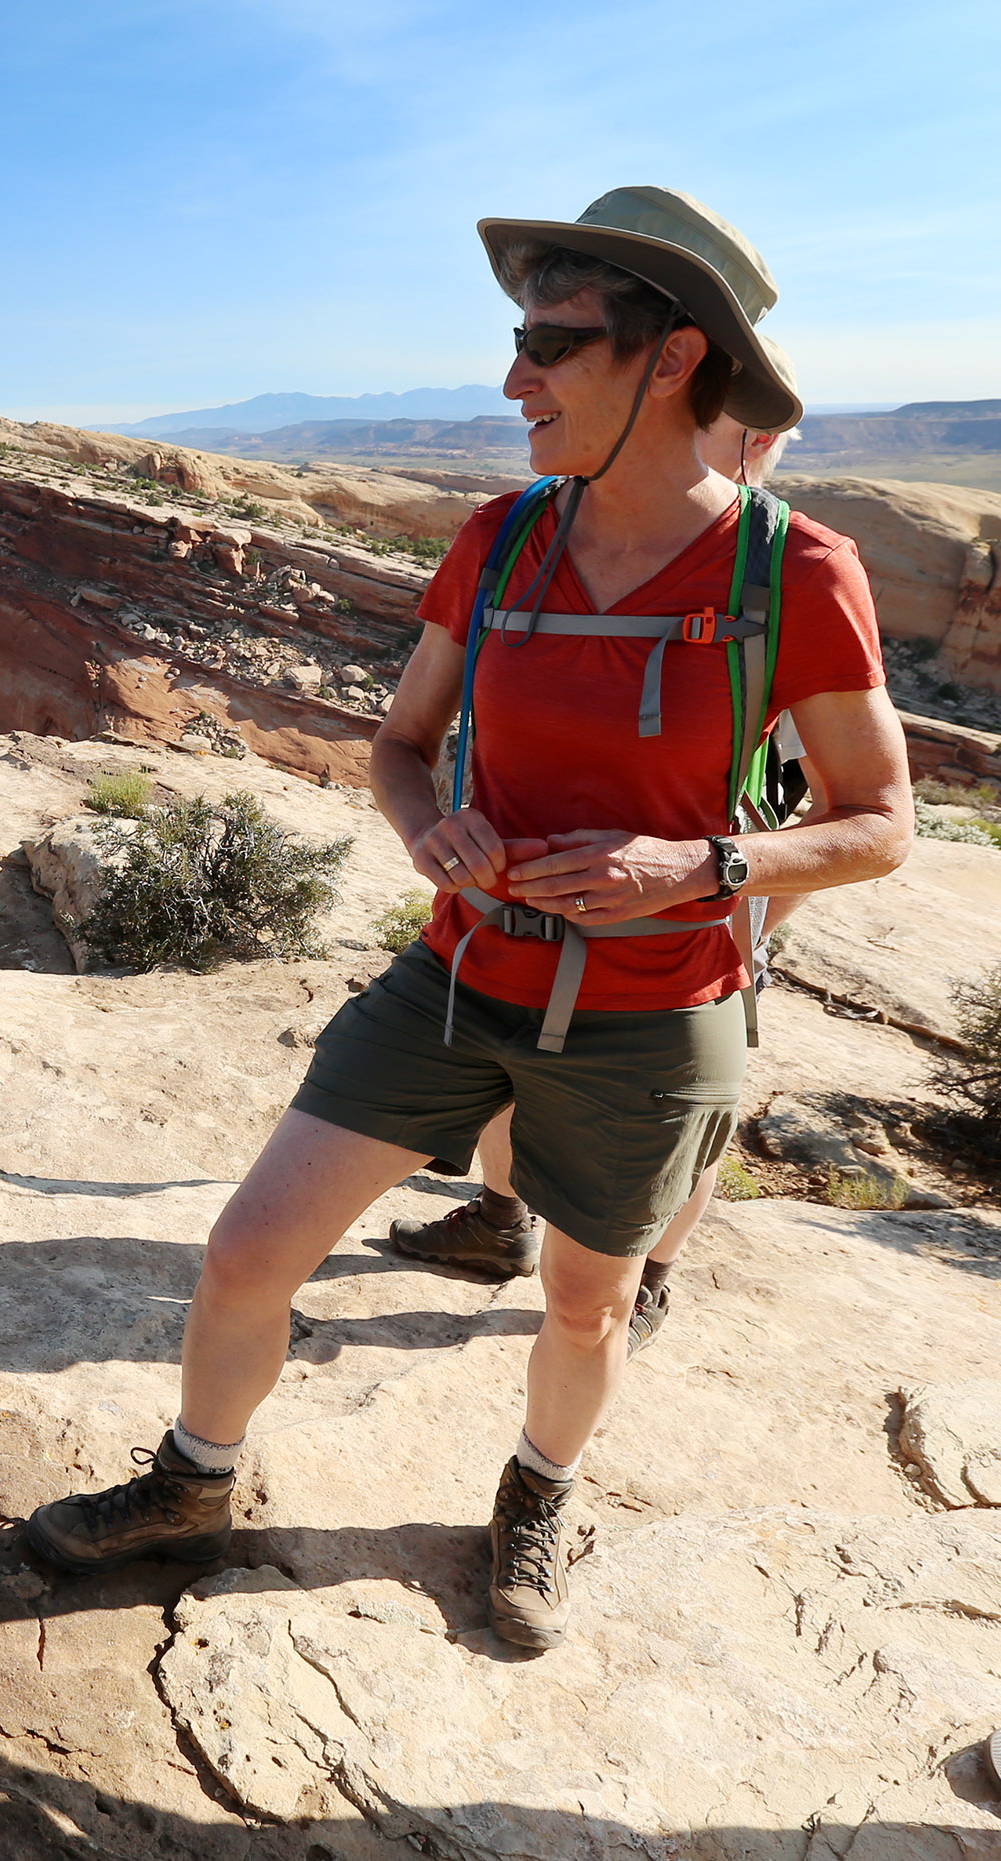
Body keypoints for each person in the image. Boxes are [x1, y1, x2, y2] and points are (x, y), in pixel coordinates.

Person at [23, 189, 911, 1651]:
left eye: (554, 346)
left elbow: (883, 823)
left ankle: (536, 1495)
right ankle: (194, 1486)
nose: (515, 382)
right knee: (250, 1249)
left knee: (582, 1307)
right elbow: (398, 743)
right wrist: (432, 826)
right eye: (518, 342)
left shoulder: (790, 571)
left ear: (672, 359)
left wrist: (697, 870)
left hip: (652, 1014)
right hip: (457, 976)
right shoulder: (498, 543)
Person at [386, 394, 810, 1357]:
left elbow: (836, 803)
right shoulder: (564, 532)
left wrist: (737, 906)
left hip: (691, 910)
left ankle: (646, 1273)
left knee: (691, 1101)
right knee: (508, 1051)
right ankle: (500, 1222)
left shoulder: (770, 573)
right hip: (529, 889)